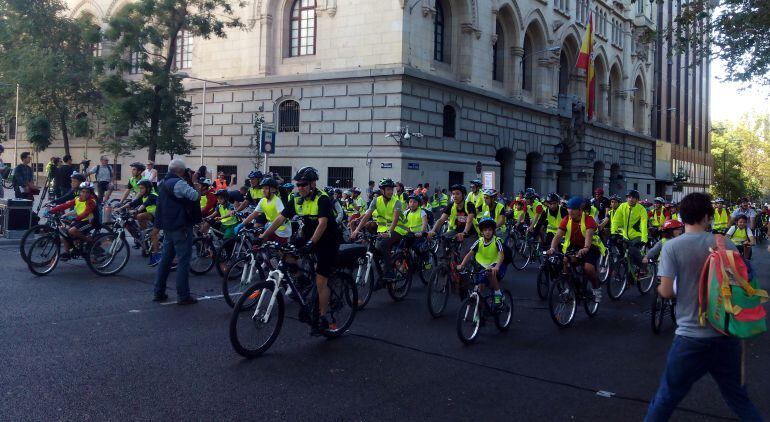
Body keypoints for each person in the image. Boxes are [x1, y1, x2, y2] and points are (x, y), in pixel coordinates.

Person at [645, 192, 762, 421]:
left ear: (682, 216)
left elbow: (667, 291)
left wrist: (662, 289)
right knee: (739, 400)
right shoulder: (724, 242)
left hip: (690, 337)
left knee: (666, 398)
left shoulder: (672, 247)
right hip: (725, 334)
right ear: (708, 216)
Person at [259, 167, 340, 335]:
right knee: (285, 253)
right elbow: (280, 218)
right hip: (309, 235)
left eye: (304, 184)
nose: (300, 187)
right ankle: (301, 279)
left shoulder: (322, 198)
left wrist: (311, 243)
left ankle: (324, 318)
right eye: (298, 184)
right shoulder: (296, 199)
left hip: (327, 240)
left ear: (312, 184)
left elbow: (323, 224)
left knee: (320, 281)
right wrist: (264, 236)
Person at [153, 158, 201, 305]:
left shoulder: (162, 183)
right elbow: (195, 196)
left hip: (168, 226)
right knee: (183, 260)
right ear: (181, 171)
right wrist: (196, 185)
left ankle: (158, 291)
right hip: (181, 226)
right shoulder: (179, 183)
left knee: (166, 260)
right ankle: (183, 295)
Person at [547, 196, 604, 303]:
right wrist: (552, 248)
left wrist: (586, 248)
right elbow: (558, 236)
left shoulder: (589, 220)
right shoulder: (566, 220)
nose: (570, 211)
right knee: (565, 261)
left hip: (591, 246)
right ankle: (569, 287)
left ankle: (596, 288)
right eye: (569, 208)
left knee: (588, 268)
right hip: (574, 246)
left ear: (580, 210)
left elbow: (589, 235)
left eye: (573, 209)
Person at [351, 178, 407, 280]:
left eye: (391, 189)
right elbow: (367, 215)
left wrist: (389, 233)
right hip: (383, 229)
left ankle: (389, 271)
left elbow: (394, 220)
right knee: (374, 247)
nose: (391, 192)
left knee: (382, 244)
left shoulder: (397, 202)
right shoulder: (376, 201)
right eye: (388, 189)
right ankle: (383, 267)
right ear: (382, 190)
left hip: (398, 229)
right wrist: (357, 230)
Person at [457, 217, 507, 309]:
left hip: (498, 266)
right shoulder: (479, 241)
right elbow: (469, 254)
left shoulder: (497, 241)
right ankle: (480, 312)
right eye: (485, 230)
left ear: (493, 231)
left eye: (490, 230)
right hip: (484, 267)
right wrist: (462, 265)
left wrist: (497, 267)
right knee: (479, 288)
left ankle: (498, 294)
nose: (487, 232)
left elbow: (501, 255)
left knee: (490, 273)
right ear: (482, 232)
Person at [47, 182, 98, 260]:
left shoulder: (91, 201)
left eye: (87, 192)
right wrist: (52, 211)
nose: (85, 194)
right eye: (83, 191)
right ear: (80, 191)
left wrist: (75, 219)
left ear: (91, 193)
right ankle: (68, 252)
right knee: (64, 232)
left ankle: (90, 241)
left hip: (89, 221)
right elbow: (65, 205)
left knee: (72, 231)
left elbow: (86, 213)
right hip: (80, 221)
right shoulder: (77, 199)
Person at [118, 180, 161, 264]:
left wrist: (136, 211)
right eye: (139, 188)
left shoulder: (152, 196)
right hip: (153, 216)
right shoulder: (144, 196)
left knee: (141, 217)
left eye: (142, 188)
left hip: (160, 216)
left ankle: (156, 255)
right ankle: (144, 234)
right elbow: (133, 203)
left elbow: (144, 205)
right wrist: (120, 208)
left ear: (148, 188)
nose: (140, 190)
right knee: (136, 216)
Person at [238, 177, 291, 244]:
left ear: (273, 189)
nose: (263, 190)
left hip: (282, 230)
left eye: (266, 188)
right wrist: (242, 224)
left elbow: (281, 219)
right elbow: (254, 214)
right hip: (271, 227)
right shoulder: (263, 200)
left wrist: (265, 233)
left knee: (278, 251)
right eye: (263, 188)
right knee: (259, 246)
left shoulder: (277, 201)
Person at [427, 184, 476, 250]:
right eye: (453, 194)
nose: (454, 196)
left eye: (457, 194)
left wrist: (464, 233)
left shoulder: (469, 205)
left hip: (470, 233)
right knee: (443, 238)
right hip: (457, 231)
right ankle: (446, 257)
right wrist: (432, 231)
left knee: (464, 254)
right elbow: (441, 220)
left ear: (463, 195)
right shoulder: (451, 205)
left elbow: (469, 221)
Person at [611, 189, 648, 274]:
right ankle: (618, 271)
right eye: (629, 197)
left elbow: (643, 225)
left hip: (637, 235)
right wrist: (613, 233)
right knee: (621, 252)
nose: (631, 199)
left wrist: (644, 239)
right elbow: (616, 220)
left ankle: (643, 266)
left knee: (632, 249)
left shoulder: (641, 209)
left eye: (633, 198)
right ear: (626, 198)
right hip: (625, 235)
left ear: (637, 199)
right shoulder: (622, 206)